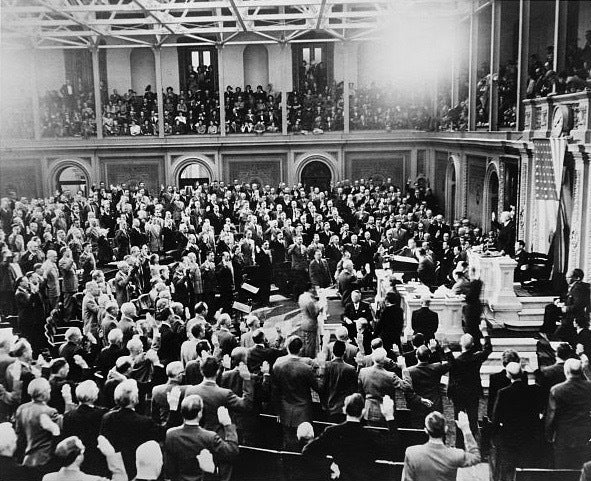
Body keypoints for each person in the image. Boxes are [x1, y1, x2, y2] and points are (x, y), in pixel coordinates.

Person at [303, 393, 396, 481]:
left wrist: (329, 466)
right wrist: (389, 417)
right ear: (363, 412)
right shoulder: (371, 435)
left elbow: (308, 451)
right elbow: (394, 448)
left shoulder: (332, 432)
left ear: (344, 410)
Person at [163, 395, 239, 481]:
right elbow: (232, 451)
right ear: (199, 413)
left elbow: (169, 467)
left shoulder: (170, 434)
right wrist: (227, 424)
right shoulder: (210, 437)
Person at [490, 362, 544, 481]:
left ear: (508, 375)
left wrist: (494, 435)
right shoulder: (533, 391)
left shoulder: (503, 393)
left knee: (508, 467)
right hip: (529, 434)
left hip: (509, 436)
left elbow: (496, 417)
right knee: (526, 466)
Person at [99, 379, 161, 479]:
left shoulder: (107, 418)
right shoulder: (144, 422)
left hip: (115, 467)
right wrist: (173, 409)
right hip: (136, 469)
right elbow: (162, 434)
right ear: (134, 398)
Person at [359, 347, 432, 427]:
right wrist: (404, 368)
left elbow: (360, 390)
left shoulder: (363, 372)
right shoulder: (390, 376)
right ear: (385, 359)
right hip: (386, 411)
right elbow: (407, 387)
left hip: (369, 411)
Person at [447, 321, 492, 449]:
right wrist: (485, 333)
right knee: (473, 420)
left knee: (458, 419)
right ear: (472, 345)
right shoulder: (476, 358)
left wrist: (446, 350)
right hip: (473, 391)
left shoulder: (456, 361)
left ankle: (459, 445)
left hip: (459, 393)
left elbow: (450, 362)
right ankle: (472, 445)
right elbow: (488, 349)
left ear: (461, 344)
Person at [15, 378, 73, 473]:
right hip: (44, 460)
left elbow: (19, 434)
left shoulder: (21, 409)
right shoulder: (50, 412)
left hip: (26, 459)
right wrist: (67, 400)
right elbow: (66, 424)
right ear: (45, 393)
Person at [401, 411, 481, 481]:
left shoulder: (412, 453)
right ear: (446, 429)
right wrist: (466, 429)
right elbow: (476, 457)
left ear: (426, 430)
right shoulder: (456, 454)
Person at [272, 336, 319, 451]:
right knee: (305, 445)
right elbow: (318, 387)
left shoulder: (278, 365)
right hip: (304, 411)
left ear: (287, 347)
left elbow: (275, 391)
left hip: (285, 411)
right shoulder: (306, 368)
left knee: (288, 442)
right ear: (301, 349)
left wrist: (278, 411)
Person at [545, 358, 591, 469]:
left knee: (564, 470)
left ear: (566, 372)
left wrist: (549, 436)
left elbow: (552, 416)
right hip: (585, 435)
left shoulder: (557, 390)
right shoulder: (589, 387)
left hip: (563, 437)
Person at [62, 380, 109, 477]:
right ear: (95, 395)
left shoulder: (68, 416)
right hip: (97, 459)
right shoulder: (103, 414)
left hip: (75, 458)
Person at [402, 343, 451, 428]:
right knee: (437, 430)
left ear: (416, 357)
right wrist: (442, 350)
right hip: (435, 404)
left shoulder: (408, 371)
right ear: (429, 356)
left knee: (419, 434)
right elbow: (450, 363)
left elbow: (407, 391)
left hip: (417, 406)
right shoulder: (437, 367)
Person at [41, 435, 126, 481]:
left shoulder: (48, 478)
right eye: (82, 451)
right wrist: (111, 454)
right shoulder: (94, 480)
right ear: (78, 458)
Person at [320, 341, 358, 423]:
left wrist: (323, 404)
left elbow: (322, 387)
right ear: (344, 352)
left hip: (328, 407)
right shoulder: (350, 369)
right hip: (343, 408)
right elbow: (354, 390)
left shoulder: (326, 366)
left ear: (332, 352)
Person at [297, 284, 323, 358]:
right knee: (310, 346)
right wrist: (319, 308)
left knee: (305, 344)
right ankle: (309, 360)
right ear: (310, 289)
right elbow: (314, 314)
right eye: (313, 288)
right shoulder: (310, 301)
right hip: (310, 325)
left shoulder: (301, 297)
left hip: (304, 322)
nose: (315, 290)